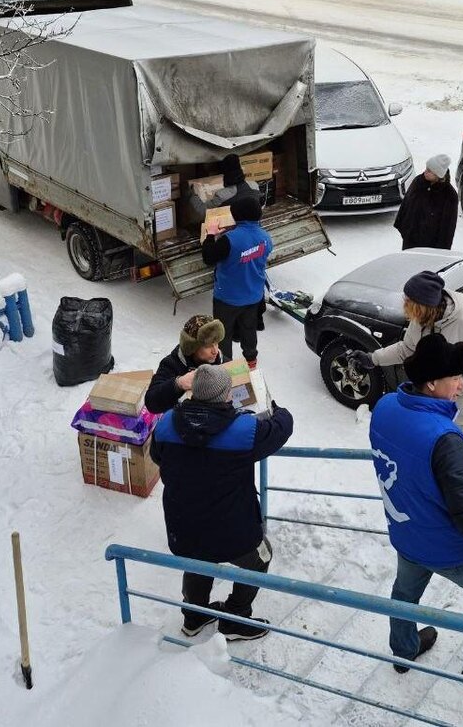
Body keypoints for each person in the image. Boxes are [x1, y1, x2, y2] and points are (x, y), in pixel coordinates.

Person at [370, 333, 463, 681]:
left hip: (404, 529)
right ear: (429, 383)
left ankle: (405, 649)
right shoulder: (444, 438)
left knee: (404, 593)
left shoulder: (384, 407)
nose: (461, 385)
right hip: (445, 546)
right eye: (454, 378)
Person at [150, 364, 295, 640]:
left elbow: (158, 457)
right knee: (260, 557)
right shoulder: (243, 431)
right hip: (232, 532)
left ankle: (194, 617)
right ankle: (236, 618)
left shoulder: (167, 423)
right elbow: (280, 428)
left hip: (183, 528)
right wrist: (280, 411)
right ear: (226, 395)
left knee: (196, 560)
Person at [351, 271, 463, 451]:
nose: (404, 305)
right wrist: (373, 358)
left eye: (409, 302)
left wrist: (458, 387)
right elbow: (407, 348)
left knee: (451, 461)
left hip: (458, 413)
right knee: (426, 456)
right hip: (427, 406)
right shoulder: (421, 320)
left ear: (423, 305)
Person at [202, 194, 272, 369]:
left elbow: (208, 257)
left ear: (237, 216)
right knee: (249, 330)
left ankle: (226, 367)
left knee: (223, 334)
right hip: (254, 296)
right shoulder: (265, 237)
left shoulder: (229, 240)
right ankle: (251, 361)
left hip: (227, 298)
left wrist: (211, 235)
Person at [145, 314, 225, 415]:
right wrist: (179, 384)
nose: (215, 351)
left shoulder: (222, 363)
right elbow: (151, 403)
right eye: (208, 346)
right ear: (192, 347)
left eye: (216, 343)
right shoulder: (171, 364)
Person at [394, 154, 458, 251]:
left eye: (429, 171)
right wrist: (403, 227)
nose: (425, 172)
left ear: (438, 175)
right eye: (426, 168)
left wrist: (442, 250)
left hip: (430, 246)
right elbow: (406, 204)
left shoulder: (449, 195)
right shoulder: (418, 181)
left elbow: (448, 227)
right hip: (410, 239)